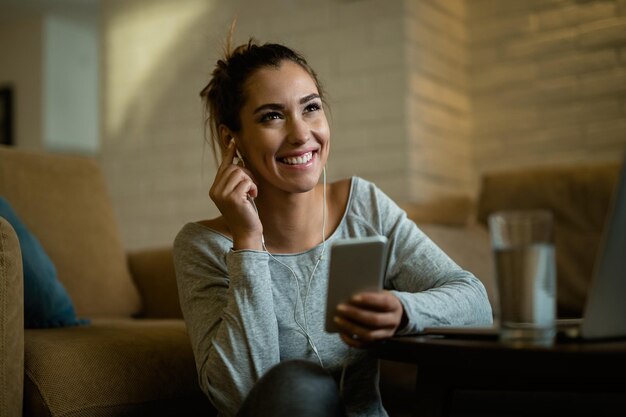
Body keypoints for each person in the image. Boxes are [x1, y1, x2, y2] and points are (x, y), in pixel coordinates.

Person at [173, 37, 493, 417]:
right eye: (271, 116)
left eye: (310, 108)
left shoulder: (364, 207)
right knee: (297, 385)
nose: (300, 133)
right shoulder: (202, 246)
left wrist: (402, 309)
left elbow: (476, 303)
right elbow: (238, 395)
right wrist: (248, 243)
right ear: (232, 138)